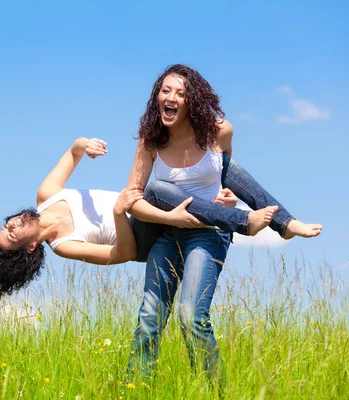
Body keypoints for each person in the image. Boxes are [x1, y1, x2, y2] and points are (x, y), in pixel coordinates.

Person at [125, 64, 322, 380]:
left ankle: (214, 391)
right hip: (165, 233)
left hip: (207, 234)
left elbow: (224, 175)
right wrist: (169, 216)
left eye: (180, 92)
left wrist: (226, 195)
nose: (171, 97)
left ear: (193, 101)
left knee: (191, 317)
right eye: (165, 90)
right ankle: (133, 388)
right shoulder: (151, 140)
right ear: (156, 97)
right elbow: (132, 201)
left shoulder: (220, 131)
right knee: (150, 316)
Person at [0, 135, 284, 296]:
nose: (10, 226)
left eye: (5, 226)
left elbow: (73, 150)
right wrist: (118, 214)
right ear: (28, 249)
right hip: (139, 236)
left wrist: (85, 144)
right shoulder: (64, 245)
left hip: (141, 207)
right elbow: (124, 254)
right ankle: (241, 221)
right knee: (153, 191)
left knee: (178, 180)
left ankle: (250, 213)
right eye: (11, 235)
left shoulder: (46, 197)